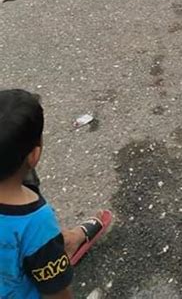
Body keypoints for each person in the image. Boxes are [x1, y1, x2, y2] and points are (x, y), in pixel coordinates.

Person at [0, 89, 111, 299]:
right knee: (42, 249)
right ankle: (60, 248)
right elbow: (57, 293)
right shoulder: (36, 222)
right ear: (34, 155)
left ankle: (63, 243)